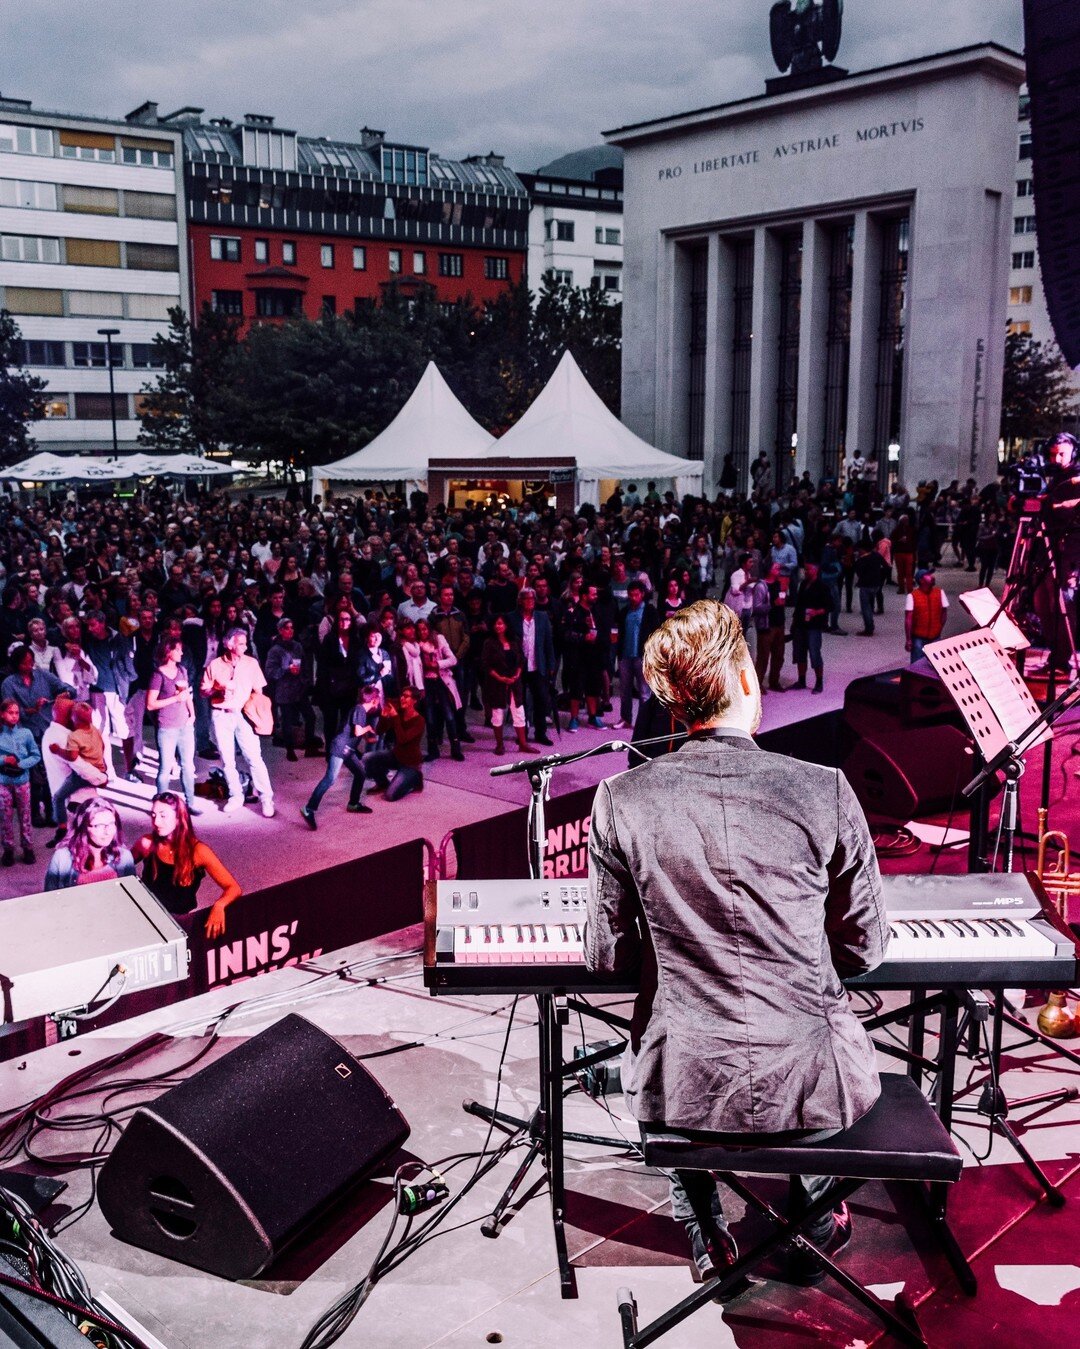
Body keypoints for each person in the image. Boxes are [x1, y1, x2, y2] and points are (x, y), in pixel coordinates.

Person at [585, 600, 887, 1287]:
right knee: (810, 1040)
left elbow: (607, 958)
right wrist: (796, 956)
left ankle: (707, 1229)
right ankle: (814, 1218)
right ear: (746, 679)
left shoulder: (619, 799)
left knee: (671, 1059)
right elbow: (866, 947)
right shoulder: (826, 789)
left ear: (674, 703)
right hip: (818, 1093)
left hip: (681, 1094)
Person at [134, 792, 241, 937]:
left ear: (179, 817)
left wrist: (219, 905)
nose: (156, 822)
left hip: (179, 925)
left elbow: (233, 888)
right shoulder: (146, 843)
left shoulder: (199, 851)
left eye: (163, 815)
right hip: (146, 918)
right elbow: (121, 866)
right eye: (153, 815)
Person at [200, 627, 275, 817]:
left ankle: (266, 797)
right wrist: (217, 688)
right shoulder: (215, 664)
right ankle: (236, 795)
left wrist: (259, 713)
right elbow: (203, 691)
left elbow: (259, 691)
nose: (245, 646)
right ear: (229, 644)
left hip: (243, 715)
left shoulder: (251, 663)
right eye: (241, 643)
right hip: (221, 714)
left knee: (254, 757)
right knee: (227, 759)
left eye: (245, 642)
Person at [301, 682, 382, 825]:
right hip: (340, 748)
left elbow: (354, 731)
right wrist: (368, 728)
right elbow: (357, 731)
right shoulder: (360, 710)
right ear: (374, 700)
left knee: (360, 773)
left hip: (348, 750)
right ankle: (309, 808)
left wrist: (368, 736)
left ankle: (353, 804)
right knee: (330, 779)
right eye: (379, 699)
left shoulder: (360, 710)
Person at [344, 686, 426, 804]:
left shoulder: (419, 721)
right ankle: (382, 783)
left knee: (390, 796)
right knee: (368, 758)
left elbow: (403, 739)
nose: (402, 698)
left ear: (414, 700)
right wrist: (383, 716)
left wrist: (395, 717)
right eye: (402, 695)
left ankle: (415, 780)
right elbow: (379, 731)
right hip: (396, 755)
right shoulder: (399, 714)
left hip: (410, 763)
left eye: (406, 696)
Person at [147, 635, 198, 808]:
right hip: (167, 727)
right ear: (168, 652)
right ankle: (160, 805)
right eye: (178, 649)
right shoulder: (158, 675)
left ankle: (190, 804)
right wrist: (175, 699)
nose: (181, 652)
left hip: (185, 726)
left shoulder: (182, 670)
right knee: (165, 768)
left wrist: (192, 714)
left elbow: (187, 694)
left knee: (188, 767)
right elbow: (151, 704)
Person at [44, 799, 135, 889]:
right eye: (99, 825)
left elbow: (132, 895)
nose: (108, 832)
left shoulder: (124, 857)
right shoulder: (62, 858)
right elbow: (51, 898)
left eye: (111, 824)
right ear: (83, 827)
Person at [508, 587, 556, 745]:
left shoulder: (542, 617)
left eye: (532, 599)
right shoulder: (512, 618)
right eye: (526, 599)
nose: (530, 602)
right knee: (520, 701)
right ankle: (522, 733)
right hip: (519, 667)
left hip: (538, 665)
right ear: (520, 601)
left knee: (541, 700)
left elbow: (549, 643)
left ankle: (540, 733)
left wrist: (551, 665)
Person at [264, 618, 317, 761]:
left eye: (292, 627)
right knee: (287, 720)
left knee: (310, 717)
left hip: (299, 688)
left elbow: (305, 665)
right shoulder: (275, 650)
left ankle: (310, 746)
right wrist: (285, 670)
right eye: (287, 628)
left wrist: (305, 681)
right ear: (280, 630)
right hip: (284, 689)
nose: (290, 630)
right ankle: (289, 749)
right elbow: (269, 671)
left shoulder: (298, 646)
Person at [480, 614, 532, 756]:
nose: (499, 626)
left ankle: (523, 744)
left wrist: (517, 674)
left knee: (519, 713)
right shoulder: (489, 643)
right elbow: (486, 665)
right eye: (496, 623)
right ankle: (499, 745)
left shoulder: (514, 640)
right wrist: (501, 678)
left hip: (514, 683)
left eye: (501, 623)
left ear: (506, 625)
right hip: (496, 684)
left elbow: (521, 660)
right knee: (497, 714)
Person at [416, 617, 464, 762]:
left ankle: (456, 749)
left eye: (424, 629)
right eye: (419, 630)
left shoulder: (439, 639)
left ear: (429, 628)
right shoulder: (416, 645)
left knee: (449, 716)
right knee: (430, 718)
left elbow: (453, 660)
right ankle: (433, 750)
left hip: (442, 681)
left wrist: (436, 664)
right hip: (427, 683)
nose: (422, 632)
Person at [0, 696, 40, 866]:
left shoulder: (26, 734)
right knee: (4, 816)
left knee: (25, 815)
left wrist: (21, 764)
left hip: (22, 780)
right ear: (2, 714)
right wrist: (3, 759)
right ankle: (8, 849)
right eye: (10, 713)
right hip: (3, 782)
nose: (14, 716)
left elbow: (36, 755)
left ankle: (28, 847)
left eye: (16, 713)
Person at [790, 562, 830, 693]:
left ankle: (819, 682)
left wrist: (816, 612)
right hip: (801, 623)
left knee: (814, 653)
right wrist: (794, 622)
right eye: (805, 569)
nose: (805, 571)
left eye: (808, 569)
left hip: (814, 625)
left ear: (815, 570)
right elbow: (799, 604)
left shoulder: (823, 587)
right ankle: (801, 680)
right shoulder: (803, 585)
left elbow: (830, 606)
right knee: (800, 653)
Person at [905, 568, 948, 662]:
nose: (932, 577)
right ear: (921, 580)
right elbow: (908, 619)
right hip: (918, 637)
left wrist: (939, 628)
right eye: (928, 575)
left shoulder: (940, 593)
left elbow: (944, 613)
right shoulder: (912, 596)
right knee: (917, 667)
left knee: (935, 666)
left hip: (935, 636)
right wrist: (908, 639)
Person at [853, 540, 889, 637]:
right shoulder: (876, 555)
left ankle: (869, 628)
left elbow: (859, 572)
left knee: (866, 608)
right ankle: (870, 626)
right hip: (876, 584)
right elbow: (886, 566)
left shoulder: (861, 560)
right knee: (869, 605)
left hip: (865, 585)